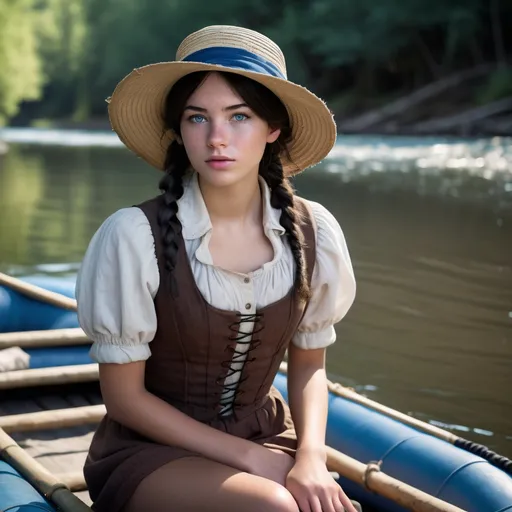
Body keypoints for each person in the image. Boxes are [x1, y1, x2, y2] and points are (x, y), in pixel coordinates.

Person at [76, 24, 357, 512]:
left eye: (239, 116)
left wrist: (310, 456)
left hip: (267, 434)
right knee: (276, 507)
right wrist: (249, 459)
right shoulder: (133, 234)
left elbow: (310, 366)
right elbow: (125, 401)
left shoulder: (315, 232)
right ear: (180, 131)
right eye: (197, 117)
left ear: (273, 130)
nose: (217, 138)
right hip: (151, 451)